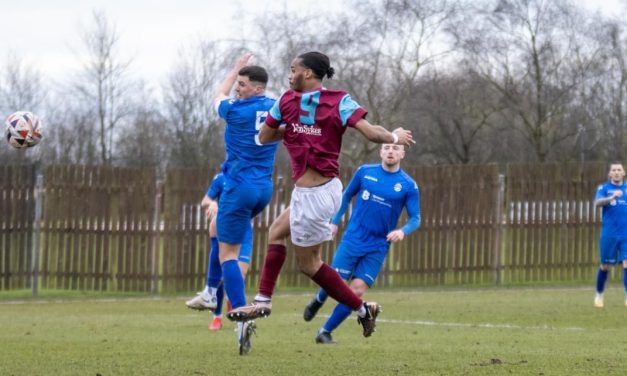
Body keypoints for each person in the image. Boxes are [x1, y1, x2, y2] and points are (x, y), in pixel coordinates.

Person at [227, 51, 414, 340]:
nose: (288, 75)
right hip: (311, 192)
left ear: (309, 74)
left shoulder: (321, 101)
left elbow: (265, 136)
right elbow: (264, 138)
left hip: (317, 195)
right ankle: (359, 310)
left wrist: (393, 138)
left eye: (293, 70)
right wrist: (297, 131)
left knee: (309, 264)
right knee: (276, 232)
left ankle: (352, 309)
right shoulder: (304, 100)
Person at [302, 142, 420, 343]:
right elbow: (346, 196)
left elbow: (416, 218)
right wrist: (334, 223)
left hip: (378, 245)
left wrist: (402, 231)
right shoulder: (365, 172)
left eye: (395, 148)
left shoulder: (408, 185)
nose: (390, 151)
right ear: (380, 151)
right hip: (353, 238)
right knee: (335, 283)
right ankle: (319, 299)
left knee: (356, 290)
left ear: (402, 154)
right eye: (387, 147)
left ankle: (325, 332)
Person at [203, 52, 279, 355]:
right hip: (264, 189)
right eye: (239, 83)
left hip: (238, 188)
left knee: (226, 253)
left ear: (257, 88)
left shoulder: (235, 110)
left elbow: (217, 95)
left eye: (243, 84)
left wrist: (234, 68)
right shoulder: (276, 106)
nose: (238, 88)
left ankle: (241, 317)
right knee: (223, 232)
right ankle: (211, 294)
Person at [184, 173, 253, 332]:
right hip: (225, 232)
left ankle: (238, 318)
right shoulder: (220, 178)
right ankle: (217, 316)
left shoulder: (249, 178)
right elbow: (205, 201)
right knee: (222, 277)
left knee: (238, 276)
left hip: (244, 233)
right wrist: (212, 203)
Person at [593, 163, 627, 308]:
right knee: (605, 266)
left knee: (626, 263)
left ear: (624, 173)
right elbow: (597, 203)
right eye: (614, 170)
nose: (617, 172)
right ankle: (599, 295)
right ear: (610, 174)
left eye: (619, 170)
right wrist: (611, 197)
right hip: (609, 234)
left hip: (625, 234)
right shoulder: (604, 188)